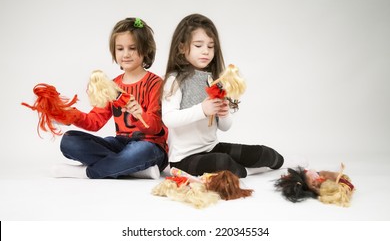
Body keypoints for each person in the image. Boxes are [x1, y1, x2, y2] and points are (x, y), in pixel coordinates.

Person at [161, 13, 299, 178]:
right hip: (183, 159)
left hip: (211, 147)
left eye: (210, 46)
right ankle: (246, 171)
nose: (206, 51)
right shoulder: (174, 80)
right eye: (198, 45)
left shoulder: (214, 80)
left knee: (262, 152)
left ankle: (282, 163)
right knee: (223, 162)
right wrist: (202, 110)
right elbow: (169, 119)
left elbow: (224, 127)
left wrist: (224, 113)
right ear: (182, 47)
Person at [54, 17, 168, 179]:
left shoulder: (156, 83)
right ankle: (135, 170)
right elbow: (95, 122)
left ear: (145, 50)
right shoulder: (113, 85)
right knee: (69, 141)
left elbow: (156, 127)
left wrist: (140, 115)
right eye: (120, 49)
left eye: (132, 48)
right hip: (120, 144)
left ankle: (85, 172)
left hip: (151, 146)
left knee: (140, 152)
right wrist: (70, 114)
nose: (126, 54)